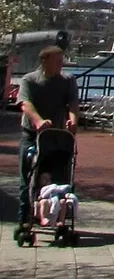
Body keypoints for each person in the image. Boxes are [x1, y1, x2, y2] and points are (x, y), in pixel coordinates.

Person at [17, 46, 78, 204]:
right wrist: (38, 121)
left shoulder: (68, 80)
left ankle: (58, 211)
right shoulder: (30, 80)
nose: (61, 64)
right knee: (27, 178)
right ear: (44, 61)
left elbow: (73, 103)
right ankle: (24, 213)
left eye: (62, 61)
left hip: (56, 136)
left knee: (58, 176)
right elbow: (25, 103)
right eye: (57, 61)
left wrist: (73, 120)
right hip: (32, 134)